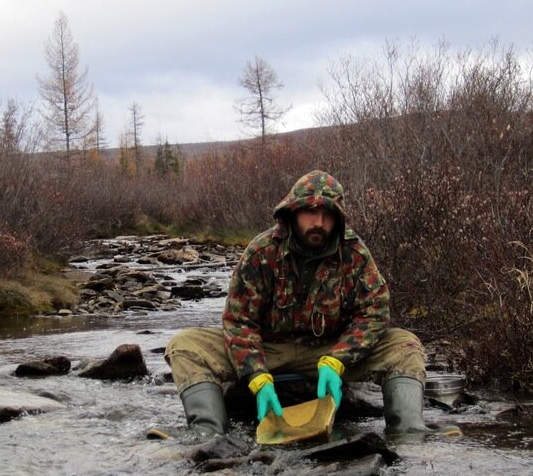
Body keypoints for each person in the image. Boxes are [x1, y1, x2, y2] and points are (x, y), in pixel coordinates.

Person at [165, 170, 460, 437]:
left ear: (338, 217)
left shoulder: (354, 254)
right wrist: (255, 374)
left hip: (327, 353)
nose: (318, 222)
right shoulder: (262, 252)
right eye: (310, 212)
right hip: (269, 351)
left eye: (327, 214)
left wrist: (339, 359)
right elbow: (239, 321)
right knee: (186, 345)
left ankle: (409, 433)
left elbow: (375, 312)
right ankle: (208, 435)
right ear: (293, 212)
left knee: (404, 345)